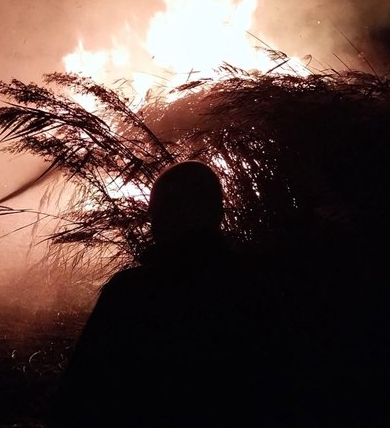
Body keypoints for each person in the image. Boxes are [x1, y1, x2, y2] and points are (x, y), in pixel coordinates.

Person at [49, 160, 263, 428]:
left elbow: (78, 393)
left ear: (164, 217)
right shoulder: (254, 286)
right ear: (217, 213)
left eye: (155, 214)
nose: (151, 224)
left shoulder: (131, 291)